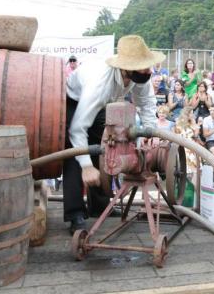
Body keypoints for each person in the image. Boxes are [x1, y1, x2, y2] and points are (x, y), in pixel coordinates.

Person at [64, 35, 165, 234]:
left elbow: (146, 103)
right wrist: (86, 166)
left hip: (102, 104)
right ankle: (75, 213)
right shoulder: (99, 83)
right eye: (144, 67)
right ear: (126, 68)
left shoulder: (140, 76)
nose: (149, 71)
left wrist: (150, 131)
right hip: (74, 101)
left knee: (104, 148)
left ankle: (99, 206)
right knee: (74, 154)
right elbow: (77, 129)